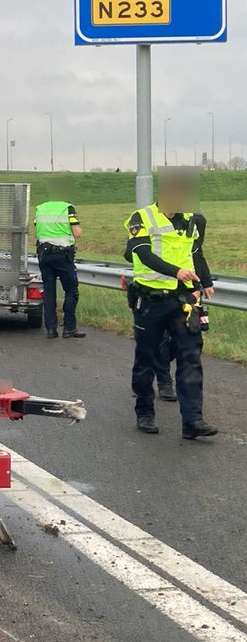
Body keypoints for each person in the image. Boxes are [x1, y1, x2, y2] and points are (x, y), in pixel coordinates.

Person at [124, 168, 216, 439]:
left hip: (183, 300)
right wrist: (176, 272)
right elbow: (142, 253)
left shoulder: (190, 221)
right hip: (150, 300)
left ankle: (193, 421)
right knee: (146, 357)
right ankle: (145, 412)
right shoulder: (142, 217)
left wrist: (205, 282)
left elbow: (195, 253)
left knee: (190, 358)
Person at [33, 200, 85, 338]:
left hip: (44, 255)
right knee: (71, 290)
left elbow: (38, 230)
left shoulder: (40, 208)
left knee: (49, 292)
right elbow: (77, 233)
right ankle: (69, 328)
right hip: (62, 256)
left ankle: (51, 329)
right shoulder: (67, 208)